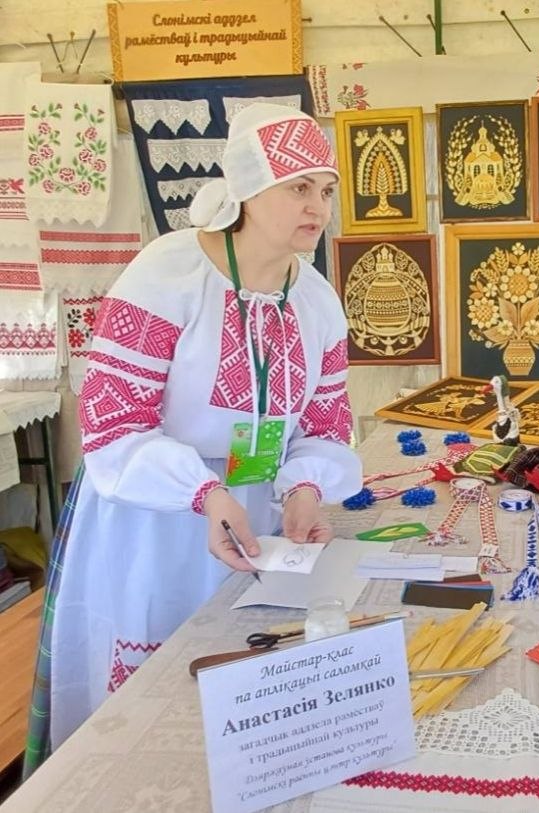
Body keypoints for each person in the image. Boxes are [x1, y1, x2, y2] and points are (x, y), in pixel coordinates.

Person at [25, 103, 362, 771]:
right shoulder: (167, 276)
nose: (317, 206)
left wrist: (302, 488)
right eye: (298, 187)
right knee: (155, 698)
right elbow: (112, 426)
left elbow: (325, 423)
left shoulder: (317, 300)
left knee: (246, 684)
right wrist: (203, 491)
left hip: (254, 511)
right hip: (152, 517)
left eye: (325, 190)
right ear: (246, 187)